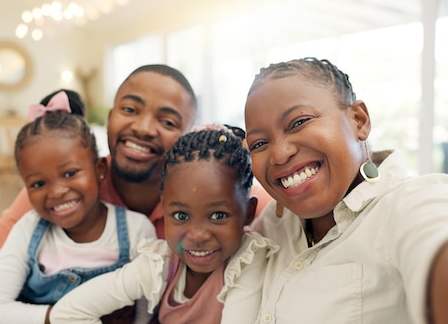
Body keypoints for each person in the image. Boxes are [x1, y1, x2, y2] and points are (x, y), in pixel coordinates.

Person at [0, 65, 272, 324]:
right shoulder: (56, 194)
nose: (143, 127)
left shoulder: (227, 199)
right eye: (130, 109)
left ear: (187, 137)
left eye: (168, 120)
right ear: (109, 117)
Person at [244, 57, 448, 323]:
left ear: (359, 121)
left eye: (299, 122)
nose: (279, 154)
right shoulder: (274, 222)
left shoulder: (416, 201)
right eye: (259, 144)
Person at [49, 128, 278, 324]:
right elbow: (67, 312)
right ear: (164, 210)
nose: (198, 235)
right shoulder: (160, 264)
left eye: (218, 215)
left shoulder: (247, 261)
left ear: (248, 213)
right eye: (180, 215)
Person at [0, 102, 156, 323]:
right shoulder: (28, 230)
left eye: (70, 173)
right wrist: (63, 317)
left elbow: (148, 305)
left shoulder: (137, 229)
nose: (57, 191)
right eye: (38, 183)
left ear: (99, 170)